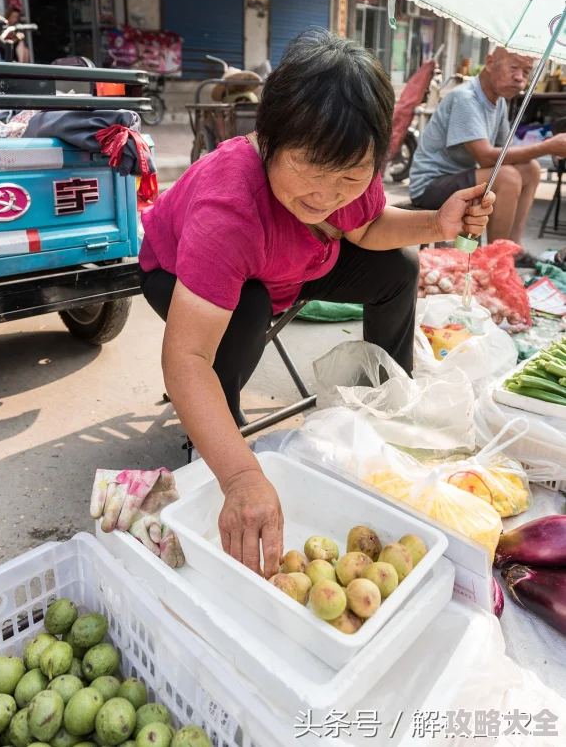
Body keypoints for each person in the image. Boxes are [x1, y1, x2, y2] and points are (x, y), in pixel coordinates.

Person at [139, 30, 495, 579]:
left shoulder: (351, 180)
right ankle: (217, 440)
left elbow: (369, 225)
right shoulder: (229, 210)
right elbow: (185, 358)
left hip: (297, 263)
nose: (327, 197)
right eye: (309, 168)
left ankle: (385, 403)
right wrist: (241, 478)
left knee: (398, 267)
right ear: (268, 137)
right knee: (247, 309)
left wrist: (437, 224)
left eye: (351, 177)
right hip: (180, 273)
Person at [409, 47, 566, 266]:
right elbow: (486, 157)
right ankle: (494, 259)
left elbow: (507, 150)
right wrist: (547, 147)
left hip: (462, 179)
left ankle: (513, 250)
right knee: (507, 176)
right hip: (430, 186)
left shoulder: (498, 101)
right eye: (514, 67)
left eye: (526, 71)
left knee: (529, 169)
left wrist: (541, 149)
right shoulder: (466, 98)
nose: (520, 77)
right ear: (490, 62)